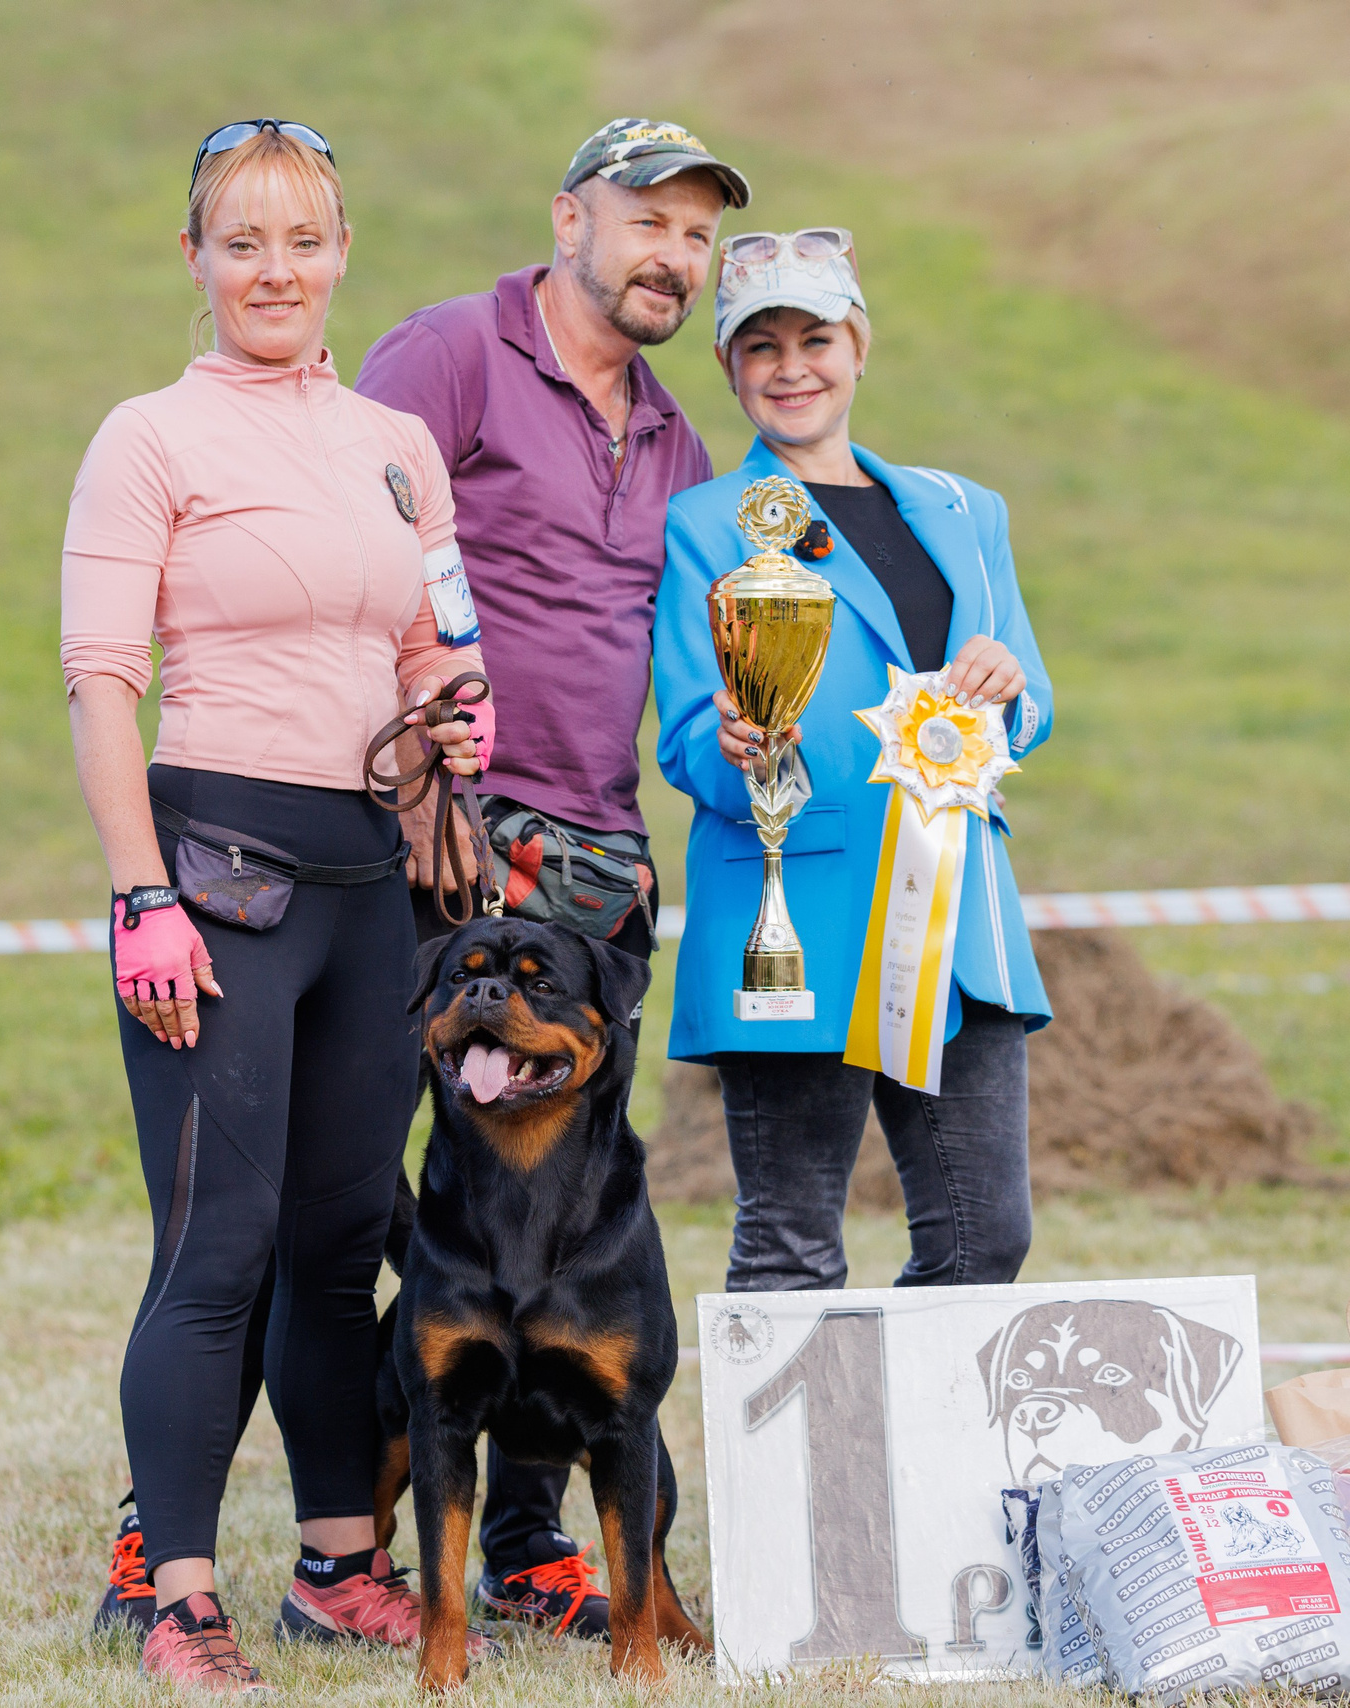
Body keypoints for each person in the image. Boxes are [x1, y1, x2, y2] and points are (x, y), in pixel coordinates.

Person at [60, 118, 492, 1691]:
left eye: (302, 240)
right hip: (216, 874)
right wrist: (140, 898)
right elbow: (102, 685)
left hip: (376, 877)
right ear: (195, 261)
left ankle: (337, 1568)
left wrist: (456, 701)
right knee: (217, 1247)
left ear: (341, 255)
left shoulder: (399, 444)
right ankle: (177, 1597)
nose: (274, 270)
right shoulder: (148, 437)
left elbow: (433, 637)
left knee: (338, 1243)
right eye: (241, 242)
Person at [354, 115, 749, 1641]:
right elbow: (350, 554)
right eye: (647, 217)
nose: (671, 254)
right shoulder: (449, 354)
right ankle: (327, 1538)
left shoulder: (678, 436)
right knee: (351, 1200)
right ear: (568, 217)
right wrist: (401, 784)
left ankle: (529, 1546)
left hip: (596, 867)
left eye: (696, 234)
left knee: (558, 1209)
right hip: (439, 846)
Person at [652, 226, 1054, 1296]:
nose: (792, 368)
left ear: (860, 345)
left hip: (957, 917)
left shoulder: (970, 514)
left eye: (815, 338)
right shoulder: (705, 523)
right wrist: (728, 747)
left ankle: (909, 1464)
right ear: (730, 369)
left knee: (984, 1241)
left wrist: (1006, 687)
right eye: (761, 346)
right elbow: (687, 730)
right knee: (790, 1244)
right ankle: (791, 1471)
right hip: (793, 910)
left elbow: (1034, 698)